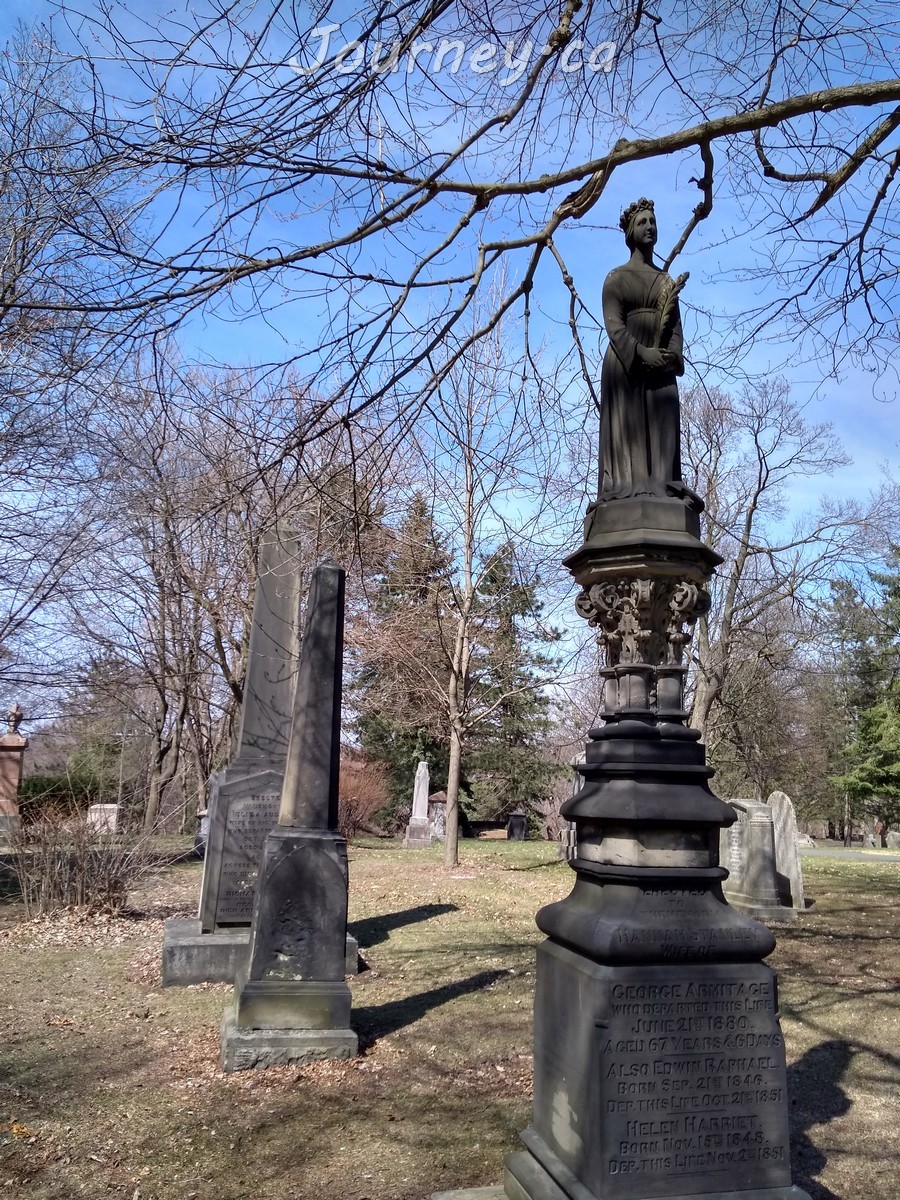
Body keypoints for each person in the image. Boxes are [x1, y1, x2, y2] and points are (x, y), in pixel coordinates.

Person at [598, 197, 687, 501]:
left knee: (665, 417)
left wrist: (669, 356)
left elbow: (674, 328)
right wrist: (640, 353)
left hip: (661, 368)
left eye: (653, 221)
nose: (649, 226)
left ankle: (664, 486)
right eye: (642, 222)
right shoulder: (616, 278)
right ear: (630, 232)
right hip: (627, 367)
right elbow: (615, 327)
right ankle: (630, 488)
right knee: (631, 431)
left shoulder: (665, 281)